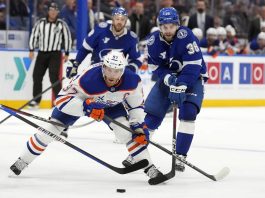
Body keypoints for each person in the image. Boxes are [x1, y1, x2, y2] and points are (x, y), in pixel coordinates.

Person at [10, 51, 163, 182]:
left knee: (127, 133)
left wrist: (138, 126)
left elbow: (136, 106)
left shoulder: (133, 81)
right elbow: (61, 100)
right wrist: (86, 108)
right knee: (48, 131)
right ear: (103, 67)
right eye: (109, 70)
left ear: (123, 70)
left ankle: (150, 168)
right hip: (82, 101)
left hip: (111, 105)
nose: (112, 75)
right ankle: (22, 161)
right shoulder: (87, 78)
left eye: (116, 71)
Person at [122, 7, 208, 172]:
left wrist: (182, 84)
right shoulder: (153, 41)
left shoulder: (187, 36)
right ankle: (138, 152)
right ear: (159, 26)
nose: (168, 30)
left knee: (188, 112)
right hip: (169, 79)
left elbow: (194, 65)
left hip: (192, 77)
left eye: (171, 26)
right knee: (153, 114)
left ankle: (180, 156)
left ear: (177, 25)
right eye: (164, 26)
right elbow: (156, 66)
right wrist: (169, 79)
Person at [66, 7, 142, 79]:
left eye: (122, 19)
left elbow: (137, 60)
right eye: (117, 19)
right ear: (113, 19)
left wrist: (129, 70)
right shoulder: (100, 30)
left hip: (116, 76)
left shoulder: (131, 38)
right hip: (96, 72)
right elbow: (85, 48)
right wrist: (76, 64)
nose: (119, 22)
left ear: (126, 21)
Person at [28, 2, 72, 109]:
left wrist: (67, 53)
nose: (53, 12)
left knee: (54, 77)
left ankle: (59, 100)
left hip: (55, 54)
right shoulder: (40, 23)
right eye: (51, 10)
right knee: (37, 76)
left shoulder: (61, 24)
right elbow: (34, 35)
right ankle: (36, 101)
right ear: (48, 11)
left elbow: (67, 38)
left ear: (57, 12)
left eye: (55, 10)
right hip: (42, 53)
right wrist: (31, 49)